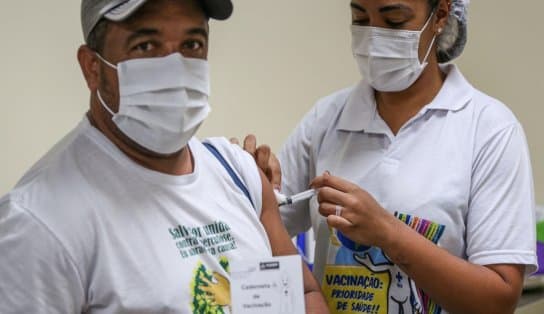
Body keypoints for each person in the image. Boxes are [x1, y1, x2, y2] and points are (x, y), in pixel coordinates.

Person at [0, 0, 328, 313]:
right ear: (92, 68)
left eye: (192, 44)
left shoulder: (237, 172)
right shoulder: (39, 220)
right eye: (145, 46)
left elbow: (303, 292)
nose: (174, 67)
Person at [244, 0, 537, 313]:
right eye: (360, 17)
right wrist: (253, 191)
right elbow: (256, 236)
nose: (373, 35)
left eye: (394, 20)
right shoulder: (326, 120)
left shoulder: (489, 129)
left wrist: (387, 234)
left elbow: (499, 299)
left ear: (440, 15)